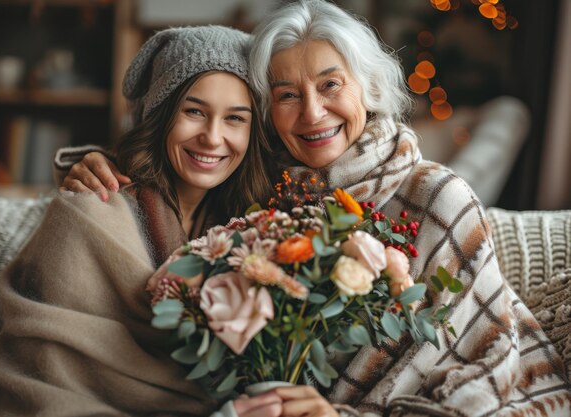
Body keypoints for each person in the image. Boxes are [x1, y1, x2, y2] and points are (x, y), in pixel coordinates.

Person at [56, 1, 571, 416]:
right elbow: (165, 180)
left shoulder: (438, 196)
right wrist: (96, 163)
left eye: (330, 85)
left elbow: (486, 364)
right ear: (266, 114)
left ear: (367, 88)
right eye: (286, 95)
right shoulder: (259, 195)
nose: (312, 113)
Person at [0, 25, 274, 416]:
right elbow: (45, 366)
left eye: (235, 118)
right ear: (160, 116)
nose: (213, 137)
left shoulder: (249, 224)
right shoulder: (90, 210)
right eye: (194, 112)